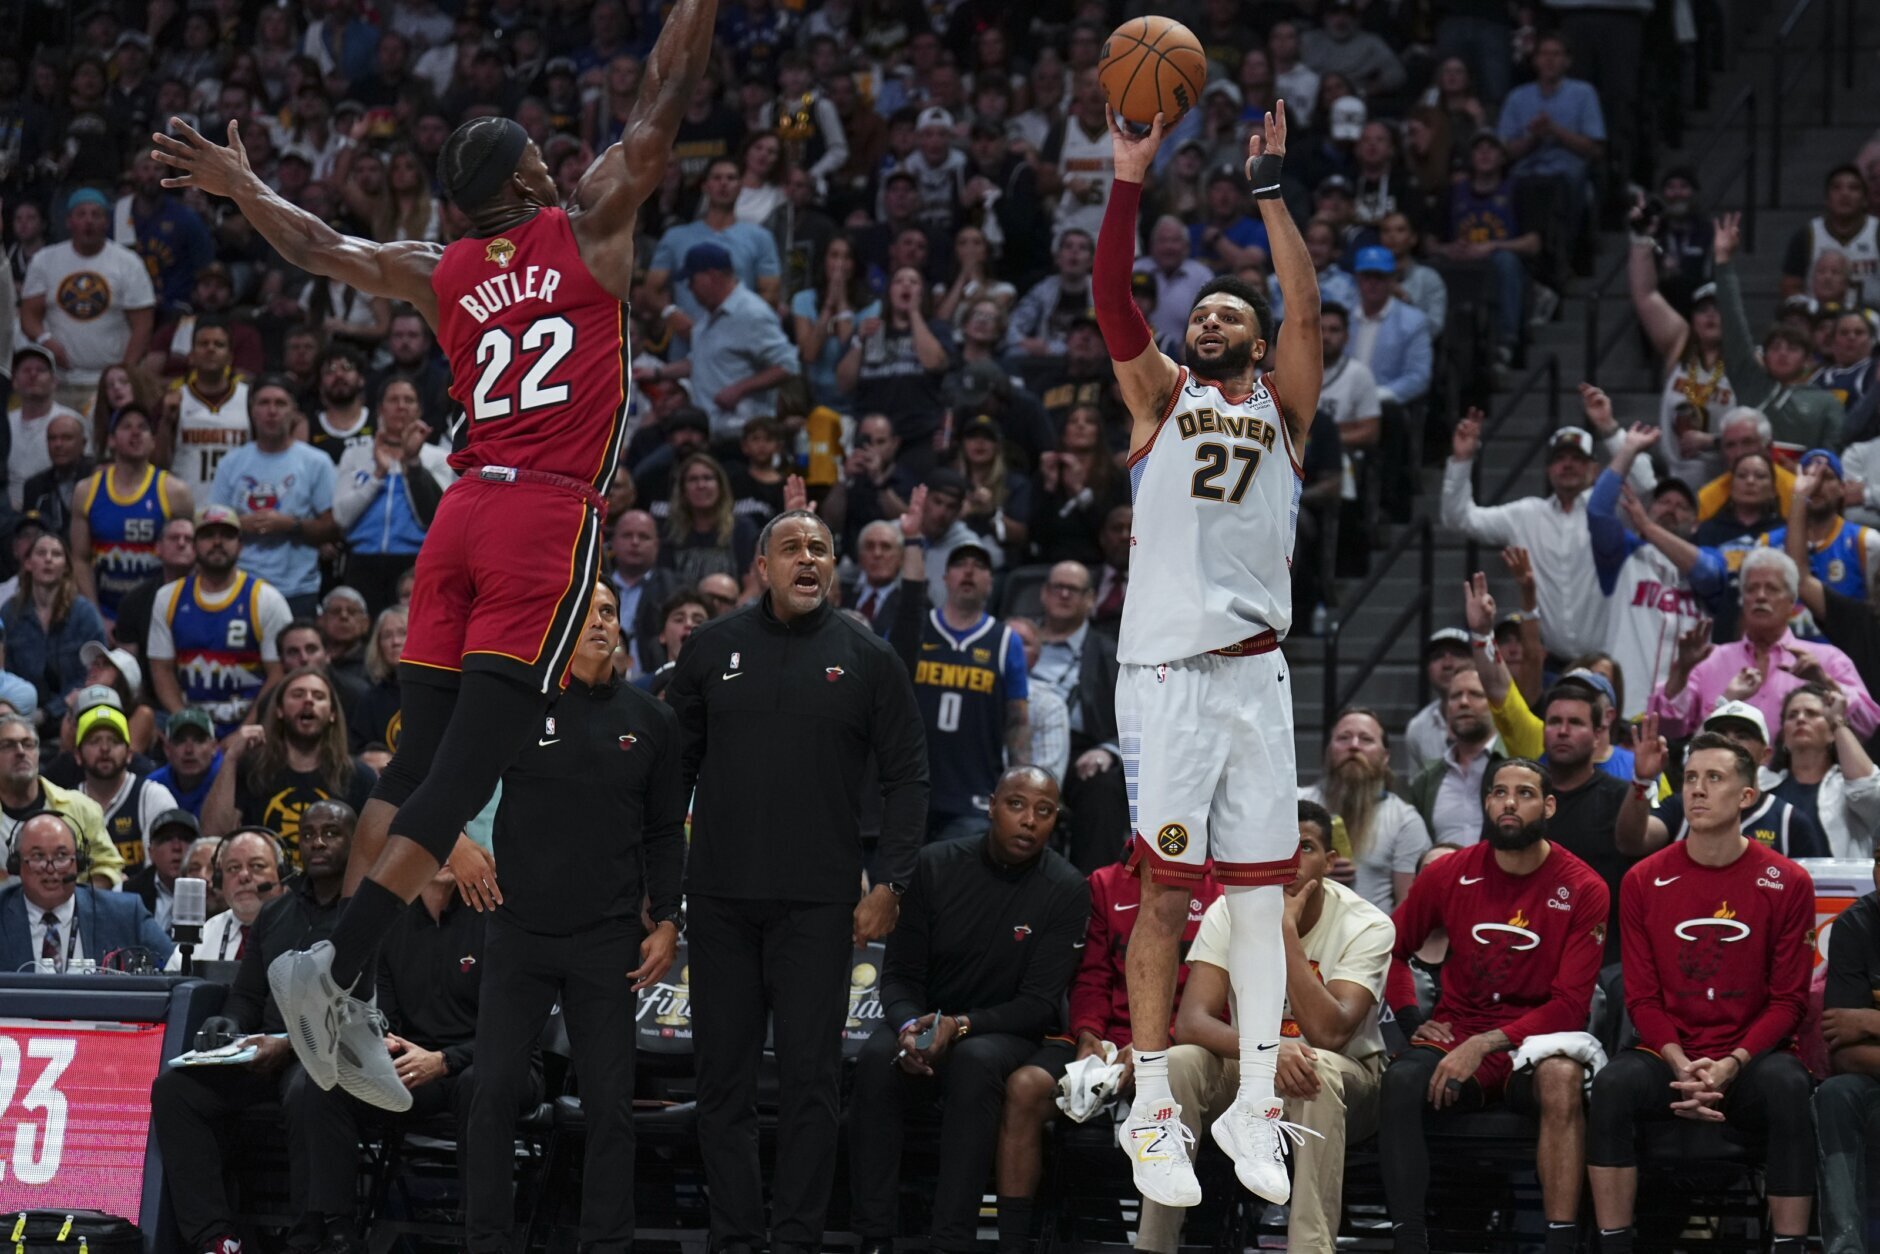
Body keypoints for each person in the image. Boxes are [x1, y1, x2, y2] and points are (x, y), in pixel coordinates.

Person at [153, 0, 723, 1113]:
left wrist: (244, 187)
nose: (565, 168)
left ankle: (343, 981)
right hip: (543, 520)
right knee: (471, 769)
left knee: (413, 768)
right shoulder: (590, 225)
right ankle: (339, 968)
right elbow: (661, 97)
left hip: (456, 515)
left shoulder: (443, 265)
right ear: (530, 183)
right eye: (545, 160)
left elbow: (324, 245)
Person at [1093, 101, 1324, 1208]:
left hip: (1259, 676)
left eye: (1235, 313)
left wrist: (1270, 193)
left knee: (1259, 900)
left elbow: (1309, 313)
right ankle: (1148, 1108)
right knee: (1165, 894)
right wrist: (1126, 177)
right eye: (1206, 312)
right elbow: (1109, 298)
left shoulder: (1282, 413)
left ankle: (1252, 1109)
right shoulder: (1160, 401)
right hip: (1174, 675)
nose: (1216, 321)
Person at [666, 507, 928, 1254]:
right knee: (722, 1083)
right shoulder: (712, 648)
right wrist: (661, 888)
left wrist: (892, 882)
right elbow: (670, 774)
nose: (807, 558)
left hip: (820, 905)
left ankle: (796, 1239)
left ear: (834, 566)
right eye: (791, 548)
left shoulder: (869, 656)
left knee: (812, 1083)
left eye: (819, 548)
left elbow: (910, 777)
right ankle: (736, 1237)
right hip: (717, 900)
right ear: (763, 567)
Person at [462, 579, 681, 1251]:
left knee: (611, 1106)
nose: (599, 622)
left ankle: (604, 1245)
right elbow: (444, 779)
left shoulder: (652, 720)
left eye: (609, 612)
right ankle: (488, 1241)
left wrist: (669, 920)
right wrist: (456, 843)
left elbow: (667, 830)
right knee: (493, 1091)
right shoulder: (517, 709)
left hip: (608, 937)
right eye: (585, 612)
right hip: (519, 931)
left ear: (622, 629)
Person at [1588, 734, 1816, 1254]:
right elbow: (1642, 998)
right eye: (1691, 778)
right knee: (1613, 1086)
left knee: (1788, 1086)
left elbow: (1788, 1001)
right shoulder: (1644, 878)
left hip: (1752, 1057)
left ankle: (1789, 1245)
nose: (1697, 789)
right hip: (1669, 1053)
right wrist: (1680, 1064)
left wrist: (1730, 1065)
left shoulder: (1788, 880)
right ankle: (1613, 1243)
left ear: (1747, 797)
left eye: (1714, 778)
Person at [849, 766, 1088, 1254]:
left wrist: (959, 1026)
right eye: (1017, 805)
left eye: (1044, 812)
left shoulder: (1065, 888)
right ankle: (873, 1235)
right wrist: (909, 1027)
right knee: (875, 1060)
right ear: (992, 805)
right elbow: (898, 977)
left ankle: (951, 1239)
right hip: (926, 1019)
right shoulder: (933, 867)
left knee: (975, 1062)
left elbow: (1039, 1003)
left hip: (1008, 1032)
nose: (1029, 822)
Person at [1380, 758, 1609, 1254]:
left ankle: (1561, 1244)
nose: (1509, 802)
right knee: (1399, 1080)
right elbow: (1390, 949)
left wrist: (1485, 1045)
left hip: (1537, 1040)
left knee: (1562, 1078)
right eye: (1498, 792)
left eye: (1524, 793)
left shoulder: (1584, 887)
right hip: (1460, 1030)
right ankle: (1409, 1241)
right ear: (1486, 803)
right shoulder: (1450, 874)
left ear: (1548, 806)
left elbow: (1571, 1006)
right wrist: (1413, 1020)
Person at [1150, 802, 1392, 1254]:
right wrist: (1266, 1051)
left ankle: (1310, 1248)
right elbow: (1191, 1022)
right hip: (1257, 1065)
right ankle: (1155, 1243)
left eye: (1305, 847)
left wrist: (1284, 929)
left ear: (1331, 860)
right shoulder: (1228, 911)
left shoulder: (1367, 924)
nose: (1289, 860)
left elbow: (1329, 1033)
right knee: (1178, 1064)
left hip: (1347, 1082)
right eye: (1277, 847)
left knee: (1315, 1070)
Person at [149, 809, 349, 1254]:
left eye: (331, 833)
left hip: (328, 1052)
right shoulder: (276, 912)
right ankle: (215, 1239)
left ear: (355, 843)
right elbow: (248, 995)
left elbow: (356, 1010)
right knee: (175, 1090)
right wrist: (230, 1023)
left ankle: (310, 1237)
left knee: (310, 1089)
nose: (318, 842)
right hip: (266, 1051)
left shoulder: (364, 912)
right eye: (310, 834)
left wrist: (288, 1045)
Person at [1650, 548, 1880, 740]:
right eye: (1751, 589)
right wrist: (1682, 671)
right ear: (1743, 600)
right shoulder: (1710, 660)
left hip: (1803, 788)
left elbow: (1869, 725)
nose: (1760, 596)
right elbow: (1665, 728)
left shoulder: (1826, 660)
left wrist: (1825, 682)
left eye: (1771, 588)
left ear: (1792, 602)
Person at [1443, 414, 1606, 663]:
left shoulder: (1611, 512)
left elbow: (1646, 488)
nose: (1568, 465)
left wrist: (1611, 428)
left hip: (1610, 657)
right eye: (1559, 459)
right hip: (1550, 662)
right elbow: (1460, 519)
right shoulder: (1527, 514)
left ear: (1594, 469)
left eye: (1577, 459)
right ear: (1548, 469)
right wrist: (1462, 460)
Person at [908, 541, 1030, 842]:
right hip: (910, 786)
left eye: (980, 566)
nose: (970, 571)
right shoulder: (915, 630)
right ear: (945, 576)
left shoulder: (1005, 642)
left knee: (955, 883)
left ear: (991, 581)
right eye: (961, 564)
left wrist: (1020, 790)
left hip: (974, 791)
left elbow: (1018, 722)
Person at [1587, 417, 1705, 718]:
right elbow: (1598, 512)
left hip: (1684, 715)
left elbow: (1711, 571)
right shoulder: (1624, 554)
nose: (1670, 509)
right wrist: (1627, 452)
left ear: (1695, 524)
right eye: (1663, 502)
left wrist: (1648, 527)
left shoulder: (1708, 563)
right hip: (1624, 712)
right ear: (1647, 510)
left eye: (1681, 506)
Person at [147, 506, 294, 737]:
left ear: (241, 545)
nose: (217, 542)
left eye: (226, 535)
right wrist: (189, 724)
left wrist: (245, 731)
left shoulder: (267, 599)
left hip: (252, 727)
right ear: (194, 545)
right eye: (207, 535)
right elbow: (161, 670)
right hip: (191, 727)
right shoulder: (168, 598)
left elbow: (277, 675)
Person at [205, 667, 379, 861]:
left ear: (332, 714)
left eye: (319, 696)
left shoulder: (359, 776)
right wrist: (230, 759)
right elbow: (213, 839)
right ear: (279, 710)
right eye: (298, 694)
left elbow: (374, 853)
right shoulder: (252, 769)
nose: (308, 700)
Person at [1026, 561, 1129, 874]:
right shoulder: (1015, 637)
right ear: (1043, 594)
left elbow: (1137, 713)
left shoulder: (1111, 654)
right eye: (1057, 587)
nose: (1064, 594)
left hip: (1079, 751)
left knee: (1104, 785)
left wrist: (1109, 749)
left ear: (1090, 599)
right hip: (1015, 739)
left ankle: (1093, 895)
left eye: (1074, 589)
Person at [1713, 213, 1845, 450]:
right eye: (1775, 348)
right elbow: (1734, 324)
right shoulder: (1750, 381)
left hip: (1801, 483)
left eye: (1792, 348)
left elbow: (1832, 456)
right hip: (1747, 480)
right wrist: (1724, 262)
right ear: (1763, 355)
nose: (1782, 353)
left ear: (1807, 360)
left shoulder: (1826, 403)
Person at [210, 376, 340, 617]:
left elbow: (333, 528)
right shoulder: (231, 463)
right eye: (264, 403)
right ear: (252, 411)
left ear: (294, 412)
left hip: (298, 589)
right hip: (240, 586)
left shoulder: (316, 462)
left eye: (280, 404)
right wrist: (239, 524)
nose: (271, 411)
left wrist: (291, 525)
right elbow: (211, 524)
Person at [18, 188, 156, 413]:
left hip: (106, 383)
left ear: (106, 221)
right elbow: (29, 314)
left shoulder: (128, 263)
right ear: (69, 221)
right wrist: (46, 340)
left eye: (96, 214)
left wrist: (123, 374)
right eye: (81, 214)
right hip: (59, 380)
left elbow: (143, 326)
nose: (88, 221)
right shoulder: (45, 260)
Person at [1635, 700, 1829, 857]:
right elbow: (1633, 842)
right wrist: (1642, 781)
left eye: (1742, 735)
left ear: (1765, 754)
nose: (1728, 742)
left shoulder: (1790, 822)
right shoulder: (1683, 805)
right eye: (1720, 735)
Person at [332, 377, 455, 616]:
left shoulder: (438, 458)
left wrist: (413, 462)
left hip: (414, 564)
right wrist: (378, 474)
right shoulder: (355, 455)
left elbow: (435, 518)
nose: (401, 406)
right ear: (380, 409)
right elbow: (341, 517)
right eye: (393, 400)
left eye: (409, 400)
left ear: (419, 409)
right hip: (361, 562)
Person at [654, 243, 801, 439]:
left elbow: (788, 365)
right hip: (709, 433)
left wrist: (740, 389)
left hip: (745, 436)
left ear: (711, 276)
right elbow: (698, 361)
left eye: (692, 280)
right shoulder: (708, 317)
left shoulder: (751, 313)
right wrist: (656, 373)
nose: (689, 288)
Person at [0, 811, 172, 971]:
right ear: (16, 864)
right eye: (38, 856)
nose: (50, 868)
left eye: (61, 856)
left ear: (79, 862)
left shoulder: (125, 914)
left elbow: (177, 969)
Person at [71, 403, 192, 624]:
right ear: (111, 440)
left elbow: (188, 560)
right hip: (105, 611)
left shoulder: (175, 492)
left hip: (158, 613)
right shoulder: (86, 491)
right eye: (126, 426)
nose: (135, 433)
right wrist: (95, 616)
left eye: (143, 427)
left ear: (153, 441)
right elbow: (80, 559)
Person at [1815, 849, 1880, 1254]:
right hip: (1873, 1080)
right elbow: (1844, 1053)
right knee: (1836, 1095)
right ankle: (1846, 1248)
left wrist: (1873, 1023)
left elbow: (1860, 1033)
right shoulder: (1857, 925)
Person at [1301, 709, 1432, 910]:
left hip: (1373, 938)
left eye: (1366, 740)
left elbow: (1409, 909)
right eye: (1343, 738)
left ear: (1386, 756)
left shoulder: (1405, 821)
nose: (1353, 746)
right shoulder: (1298, 805)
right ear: (1328, 749)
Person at [2, 533, 107, 722]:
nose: (48, 559)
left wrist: (50, 712)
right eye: (41, 553)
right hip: (20, 713)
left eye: (56, 554)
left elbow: (96, 673)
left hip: (75, 711)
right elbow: (4, 672)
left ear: (66, 566)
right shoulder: (10, 613)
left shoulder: (85, 614)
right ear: (28, 563)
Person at [74, 699, 178, 872]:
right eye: (94, 741)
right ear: (78, 755)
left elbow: (163, 872)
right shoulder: (68, 803)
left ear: (130, 754)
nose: (105, 748)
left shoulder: (153, 797)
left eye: (114, 741)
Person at [165, 827, 290, 969]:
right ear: (220, 880)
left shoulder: (305, 929)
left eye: (257, 865)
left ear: (282, 874)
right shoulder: (204, 937)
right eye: (233, 868)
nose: (243, 876)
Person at [1403, 668, 1502, 847]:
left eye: (1476, 694)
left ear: (1495, 704)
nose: (1464, 702)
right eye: (1455, 696)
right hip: (1444, 873)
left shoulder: (1515, 765)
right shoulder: (1427, 781)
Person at [162, 319, 253, 501]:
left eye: (219, 344)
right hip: (187, 508)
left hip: (238, 510)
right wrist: (165, 421)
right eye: (203, 344)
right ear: (191, 355)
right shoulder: (175, 399)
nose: (211, 349)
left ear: (230, 357)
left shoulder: (249, 399)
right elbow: (158, 463)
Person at [1781, 164, 1880, 309]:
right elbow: (1790, 286)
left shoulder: (1877, 231)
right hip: (1818, 323)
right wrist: (1809, 312)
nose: (1845, 194)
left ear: (1865, 200)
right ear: (1826, 199)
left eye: (1853, 188)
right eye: (1836, 188)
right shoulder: (1807, 235)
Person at [7, 345, 87, 512]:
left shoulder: (71, 421)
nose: (33, 374)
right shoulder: (5, 422)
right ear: (14, 381)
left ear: (54, 381)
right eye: (26, 370)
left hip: (54, 508)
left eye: (41, 370)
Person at [113, 515, 195, 669]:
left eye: (189, 539)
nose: (182, 543)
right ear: (158, 548)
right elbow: (127, 670)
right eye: (174, 538)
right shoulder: (133, 602)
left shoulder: (214, 596)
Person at [1403, 628, 1473, 775]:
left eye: (1458, 654)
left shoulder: (1498, 717)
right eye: (1437, 656)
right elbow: (1418, 794)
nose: (1448, 664)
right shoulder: (1418, 728)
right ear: (1428, 669)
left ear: (1476, 662)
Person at [126, 807, 199, 932]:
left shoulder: (213, 892)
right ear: (150, 853)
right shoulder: (127, 892)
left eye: (186, 838)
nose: (177, 847)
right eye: (166, 839)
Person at [346, 607, 406, 754]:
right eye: (387, 636)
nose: (395, 642)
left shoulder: (438, 692)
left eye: (403, 633)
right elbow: (359, 753)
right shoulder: (371, 701)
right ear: (378, 646)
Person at [149, 707, 224, 818]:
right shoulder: (154, 786)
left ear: (214, 747)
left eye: (199, 740)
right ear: (167, 749)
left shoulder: (229, 778)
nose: (189, 750)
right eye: (180, 741)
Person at [305, 347, 375, 465]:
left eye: (347, 368)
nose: (339, 375)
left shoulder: (380, 422)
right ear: (320, 384)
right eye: (330, 371)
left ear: (361, 379)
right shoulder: (306, 428)